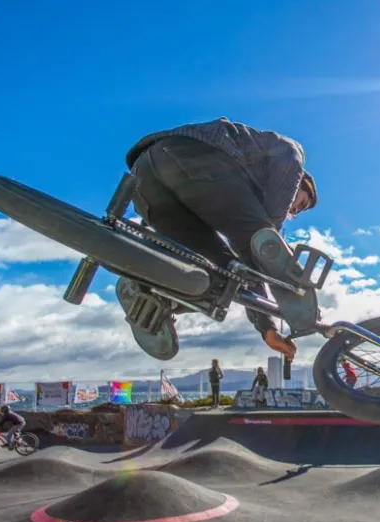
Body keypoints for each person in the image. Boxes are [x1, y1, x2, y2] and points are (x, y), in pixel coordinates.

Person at [116, 117, 317, 363]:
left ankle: (149, 295)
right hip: (189, 155)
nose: (293, 211)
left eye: (296, 212)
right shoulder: (286, 156)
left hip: (144, 186)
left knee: (226, 276)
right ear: (301, 181)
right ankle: (286, 278)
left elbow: (246, 268)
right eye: (301, 203)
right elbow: (291, 153)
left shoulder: (237, 202)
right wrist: (268, 234)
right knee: (257, 242)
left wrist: (267, 328)